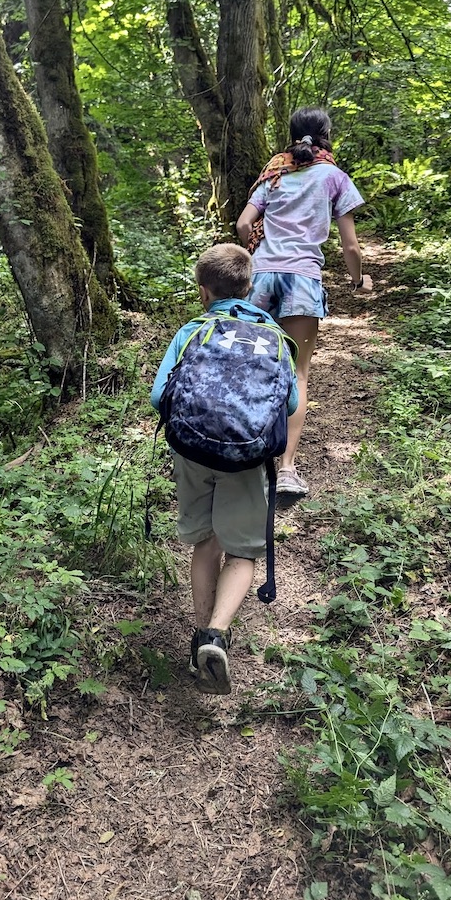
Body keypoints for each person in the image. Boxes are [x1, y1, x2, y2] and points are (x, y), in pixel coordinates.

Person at [150, 244, 299, 695]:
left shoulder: (195, 330)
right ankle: (217, 634)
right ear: (250, 286)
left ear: (203, 290)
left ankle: (198, 633)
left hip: (192, 454)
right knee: (242, 552)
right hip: (247, 459)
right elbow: (289, 404)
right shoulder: (274, 337)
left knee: (206, 541)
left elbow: (160, 398)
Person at [236, 106, 373, 499]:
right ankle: (288, 470)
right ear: (327, 134)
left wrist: (256, 249)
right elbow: (350, 245)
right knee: (297, 372)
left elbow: (245, 223)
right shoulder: (334, 177)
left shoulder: (274, 173)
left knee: (255, 365)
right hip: (301, 280)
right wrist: (358, 279)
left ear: (292, 134)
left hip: (260, 278)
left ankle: (246, 455)